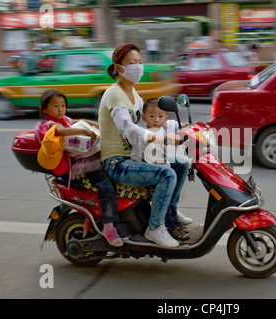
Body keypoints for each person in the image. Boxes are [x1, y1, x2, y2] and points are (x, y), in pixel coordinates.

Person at [99, 43, 191, 248]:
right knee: (167, 174)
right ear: (119, 67)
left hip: (135, 156)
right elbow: (129, 130)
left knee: (181, 164)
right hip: (117, 162)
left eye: (140, 62)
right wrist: (161, 139)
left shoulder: (133, 94)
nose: (138, 67)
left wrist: (181, 127)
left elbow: (152, 119)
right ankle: (155, 228)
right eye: (133, 63)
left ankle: (170, 212)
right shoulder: (115, 94)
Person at [36, 89, 123, 248]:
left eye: (63, 105)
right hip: (84, 165)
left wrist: (104, 127)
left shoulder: (65, 120)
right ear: (45, 110)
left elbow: (81, 121)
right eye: (56, 106)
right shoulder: (49, 125)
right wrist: (83, 130)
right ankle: (109, 226)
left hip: (95, 157)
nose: (61, 109)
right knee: (106, 188)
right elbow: (61, 131)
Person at [131, 98, 190, 241]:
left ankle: (173, 212)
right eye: (152, 116)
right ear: (144, 118)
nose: (156, 120)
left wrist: (186, 127)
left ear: (165, 118)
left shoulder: (162, 128)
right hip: (150, 172)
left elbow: (174, 125)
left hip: (163, 166)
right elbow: (138, 153)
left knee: (183, 163)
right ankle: (169, 225)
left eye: (160, 117)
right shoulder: (144, 134)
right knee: (168, 186)